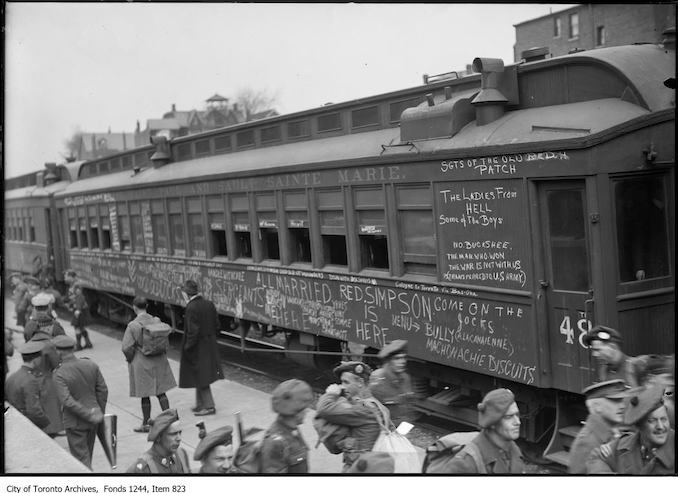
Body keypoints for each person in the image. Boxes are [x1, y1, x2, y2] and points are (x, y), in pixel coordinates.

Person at [586, 384, 674, 474]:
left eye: (664, 419)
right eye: (652, 421)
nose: (660, 426)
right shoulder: (625, 445)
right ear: (640, 426)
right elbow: (595, 457)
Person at [52, 335, 108, 469]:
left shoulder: (59, 373)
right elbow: (103, 390)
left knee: (81, 462)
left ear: (59, 352)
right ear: (73, 348)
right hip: (94, 420)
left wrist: (88, 414)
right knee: (88, 455)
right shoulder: (90, 364)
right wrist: (98, 411)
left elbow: (67, 401)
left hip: (75, 423)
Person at [122, 296, 176, 433]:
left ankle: (146, 423)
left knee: (145, 394)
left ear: (134, 307)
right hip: (159, 360)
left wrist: (130, 359)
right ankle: (169, 420)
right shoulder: (156, 320)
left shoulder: (133, 325)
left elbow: (126, 347)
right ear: (146, 306)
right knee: (161, 392)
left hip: (142, 362)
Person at [315, 361, 383, 472]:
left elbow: (324, 409)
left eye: (346, 382)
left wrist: (331, 394)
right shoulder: (373, 403)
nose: (342, 386)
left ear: (360, 383)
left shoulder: (364, 409)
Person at [443, 388, 526, 474]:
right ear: (493, 422)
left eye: (517, 415)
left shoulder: (512, 448)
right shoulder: (464, 464)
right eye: (509, 417)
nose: (518, 422)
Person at [568, 379, 632, 474]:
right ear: (597, 406)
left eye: (622, 400)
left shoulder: (613, 432)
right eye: (615, 401)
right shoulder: (587, 443)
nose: (622, 405)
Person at [178, 279, 222, 416]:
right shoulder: (209, 304)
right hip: (210, 344)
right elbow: (217, 325)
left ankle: (209, 406)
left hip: (198, 346)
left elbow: (193, 331)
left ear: (186, 293)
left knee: (201, 376)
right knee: (200, 374)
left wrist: (187, 347)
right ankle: (200, 404)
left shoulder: (191, 307)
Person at [260, 379, 314, 473]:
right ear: (296, 412)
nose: (307, 411)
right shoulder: (276, 442)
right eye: (305, 408)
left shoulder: (292, 430)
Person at [127, 408, 191, 474]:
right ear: (158, 437)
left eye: (179, 433)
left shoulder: (181, 455)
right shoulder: (142, 468)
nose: (179, 438)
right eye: (173, 434)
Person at [369, 339, 416, 426]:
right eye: (397, 358)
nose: (402, 362)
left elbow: (409, 408)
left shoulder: (405, 378)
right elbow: (371, 413)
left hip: (401, 430)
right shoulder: (378, 380)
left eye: (403, 358)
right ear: (388, 361)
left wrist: (404, 431)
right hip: (384, 431)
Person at [4, 340, 50, 430]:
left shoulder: (11, 377)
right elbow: (34, 410)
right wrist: (46, 423)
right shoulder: (30, 380)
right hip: (28, 425)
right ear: (36, 360)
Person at [71, 283, 93, 350]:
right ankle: (88, 343)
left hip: (79, 315)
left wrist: (77, 311)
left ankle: (78, 345)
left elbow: (79, 305)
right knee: (82, 328)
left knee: (77, 329)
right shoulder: (80, 296)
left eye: (78, 289)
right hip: (82, 315)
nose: (77, 290)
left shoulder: (79, 297)